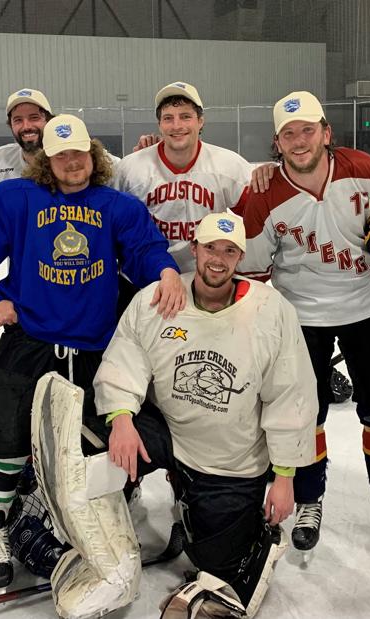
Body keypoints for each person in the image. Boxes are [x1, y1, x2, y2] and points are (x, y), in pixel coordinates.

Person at [0, 112, 185, 588]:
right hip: (30, 341)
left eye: (79, 153)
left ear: (93, 155)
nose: (72, 162)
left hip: (96, 348)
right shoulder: (15, 198)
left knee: (97, 440)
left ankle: (92, 511)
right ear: (47, 159)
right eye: (61, 155)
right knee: (4, 433)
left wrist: (164, 270)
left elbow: (144, 249)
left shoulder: (115, 206)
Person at [94, 211, 317, 615]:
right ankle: (98, 529)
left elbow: (292, 395)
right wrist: (121, 419)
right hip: (169, 433)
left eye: (229, 251)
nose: (218, 259)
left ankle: (224, 529)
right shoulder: (159, 297)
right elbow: (125, 357)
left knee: (218, 567)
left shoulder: (270, 311)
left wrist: (285, 479)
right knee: (92, 439)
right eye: (210, 247)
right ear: (194, 249)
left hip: (231, 461)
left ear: (241, 257)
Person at [237, 90, 370, 556]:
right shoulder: (264, 193)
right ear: (277, 142)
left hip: (369, 309)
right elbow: (251, 266)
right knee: (302, 416)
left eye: (308, 130)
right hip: (301, 318)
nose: (299, 141)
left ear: (326, 132)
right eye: (289, 134)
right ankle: (308, 498)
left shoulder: (364, 169)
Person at [112, 81, 253, 273]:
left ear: (200, 121)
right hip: (145, 277)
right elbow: (108, 221)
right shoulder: (130, 168)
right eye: (168, 118)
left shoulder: (228, 165)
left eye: (185, 117)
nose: (177, 126)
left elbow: (258, 219)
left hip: (206, 276)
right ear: (159, 125)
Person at [0, 88, 122, 195]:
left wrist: (137, 155)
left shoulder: (95, 160)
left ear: (49, 120)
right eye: (18, 120)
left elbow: (121, 170)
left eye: (34, 117)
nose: (26, 126)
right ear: (10, 125)